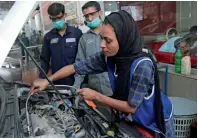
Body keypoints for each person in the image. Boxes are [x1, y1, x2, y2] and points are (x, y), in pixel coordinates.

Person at [31, 10, 174, 138]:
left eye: (108, 40)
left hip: (154, 119)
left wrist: (97, 96)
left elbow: (131, 107)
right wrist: (48, 80)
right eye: (101, 38)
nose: (102, 45)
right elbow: (76, 67)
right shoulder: (109, 57)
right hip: (133, 119)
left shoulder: (142, 65)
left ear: (123, 39)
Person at [73, 1, 112, 96]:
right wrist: (76, 86)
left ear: (100, 13)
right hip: (94, 91)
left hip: (114, 87)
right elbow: (80, 64)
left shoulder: (111, 32)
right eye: (86, 16)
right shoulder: (84, 39)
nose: (89, 19)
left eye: (92, 14)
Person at [39, 3, 82, 85]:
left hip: (75, 79)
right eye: (54, 19)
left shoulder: (76, 33)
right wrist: (41, 78)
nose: (57, 21)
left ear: (65, 15)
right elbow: (44, 60)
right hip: (57, 80)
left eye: (59, 18)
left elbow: (82, 57)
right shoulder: (48, 37)